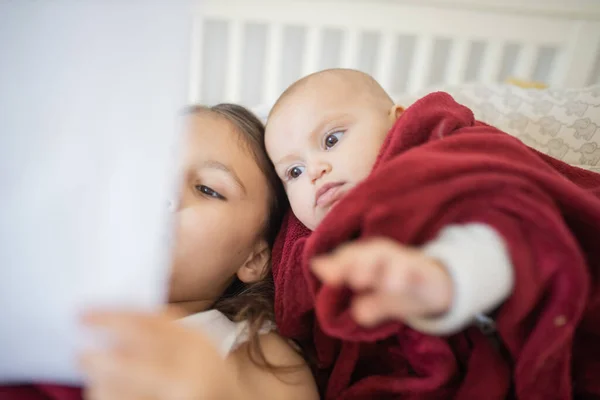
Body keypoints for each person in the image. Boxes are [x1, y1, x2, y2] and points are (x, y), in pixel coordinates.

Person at [264, 68, 600, 399]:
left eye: (331, 140)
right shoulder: (308, 251)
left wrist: (441, 279)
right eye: (293, 171)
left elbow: (511, 224)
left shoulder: (443, 156)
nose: (315, 171)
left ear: (398, 121)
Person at [0, 104, 318, 400]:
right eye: (154, 173)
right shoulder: (45, 292)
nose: (164, 194)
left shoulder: (255, 346)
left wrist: (212, 389)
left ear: (254, 259)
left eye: (208, 189)